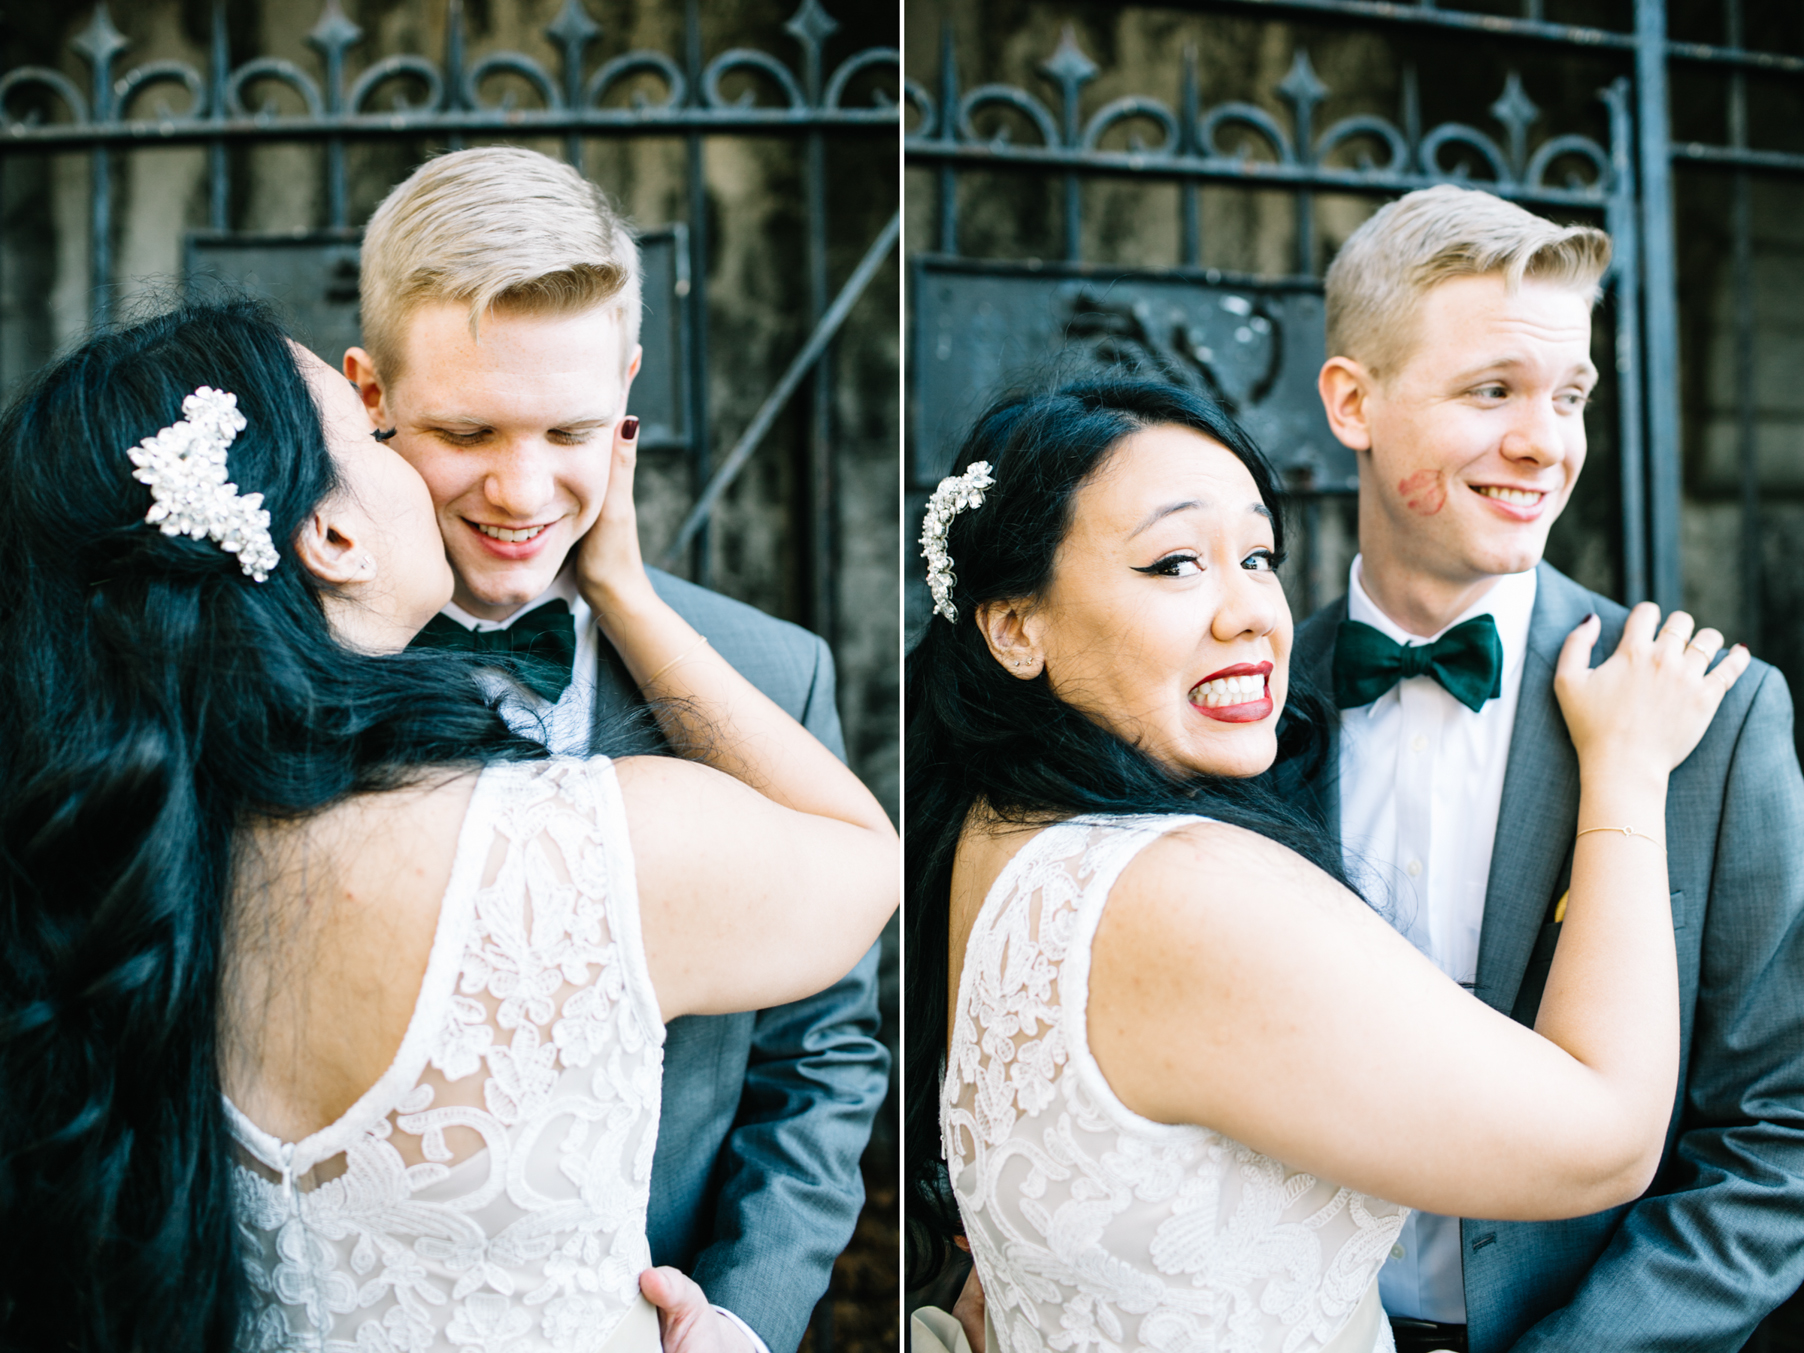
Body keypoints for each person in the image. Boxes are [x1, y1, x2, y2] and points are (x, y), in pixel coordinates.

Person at [0, 300, 898, 1353]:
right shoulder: (578, 845)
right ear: (332, 536)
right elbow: (865, 858)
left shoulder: (104, 872)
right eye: (374, 435)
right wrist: (630, 593)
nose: (510, 487)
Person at [901, 375, 1748, 1353]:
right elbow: (1607, 1138)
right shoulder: (1182, 891)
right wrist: (1627, 775)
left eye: (1258, 556)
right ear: (1015, 627)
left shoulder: (992, 835)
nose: (1250, 613)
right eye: (1175, 563)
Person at [340, 146, 888, 1353]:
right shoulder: (275, 670)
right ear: (369, 391)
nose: (520, 487)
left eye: (570, 429)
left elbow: (818, 1054)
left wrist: (743, 1316)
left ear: (628, 389)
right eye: (467, 429)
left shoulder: (773, 673)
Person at [1292, 183, 1804, 1353]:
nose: (1546, 442)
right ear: (1352, 401)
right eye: (1492, 391)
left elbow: (1776, 1131)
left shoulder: (1714, 716)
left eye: (1569, 395)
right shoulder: (1240, 707)